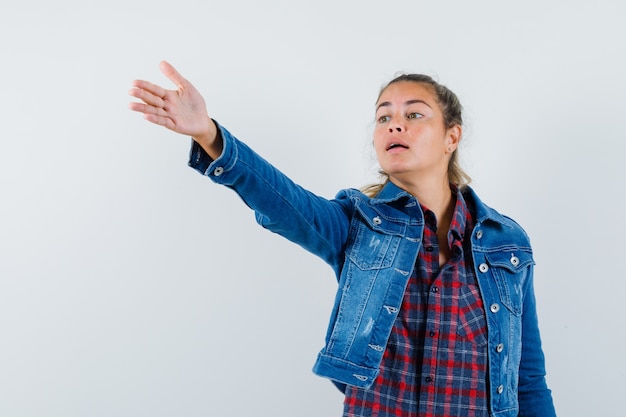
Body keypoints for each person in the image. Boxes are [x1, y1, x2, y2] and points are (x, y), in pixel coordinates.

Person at [128, 61, 556, 417]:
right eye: (384, 116)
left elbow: (527, 378)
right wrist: (209, 135)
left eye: (414, 114)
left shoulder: (506, 243)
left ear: (452, 136)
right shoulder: (359, 224)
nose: (394, 126)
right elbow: (286, 204)